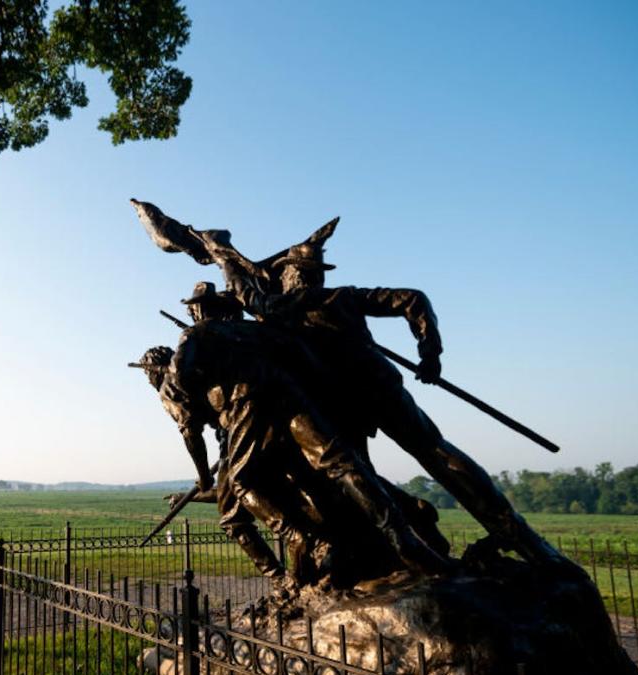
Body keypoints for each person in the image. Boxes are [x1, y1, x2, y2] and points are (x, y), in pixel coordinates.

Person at [222, 219, 560, 565]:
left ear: (294, 275)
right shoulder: (346, 297)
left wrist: (227, 265)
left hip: (346, 400)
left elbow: (252, 300)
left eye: (285, 274)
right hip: (375, 386)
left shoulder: (285, 307)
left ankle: (391, 547)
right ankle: (510, 529)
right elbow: (413, 299)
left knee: (357, 470)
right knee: (434, 452)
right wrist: (429, 351)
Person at [131, 316, 452, 579]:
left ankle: (287, 563)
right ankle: (405, 509)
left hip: (239, 425)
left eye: (147, 374)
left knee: (236, 512)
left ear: (151, 369)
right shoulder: (235, 338)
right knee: (321, 470)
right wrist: (197, 492)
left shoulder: (169, 383)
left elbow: (190, 433)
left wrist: (202, 479)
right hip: (273, 405)